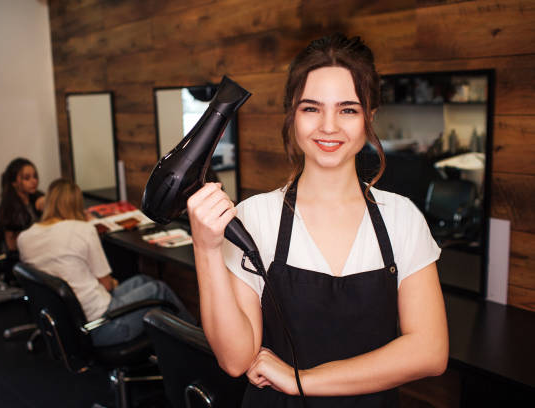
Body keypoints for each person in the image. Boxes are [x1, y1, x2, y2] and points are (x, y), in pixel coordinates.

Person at [186, 33, 448, 407]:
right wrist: (206, 248)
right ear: (292, 114)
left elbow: (430, 351)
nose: (329, 126)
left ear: (369, 118)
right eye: (311, 108)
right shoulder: (255, 217)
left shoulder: (401, 218)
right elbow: (236, 359)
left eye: (348, 109)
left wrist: (302, 380)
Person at [17, 178, 195, 346]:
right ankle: (195, 339)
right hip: (102, 325)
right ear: (76, 205)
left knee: (143, 281)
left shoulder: (24, 238)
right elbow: (107, 284)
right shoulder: (83, 229)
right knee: (158, 289)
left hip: (67, 323)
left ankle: (178, 340)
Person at [0, 158, 45, 251]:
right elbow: (12, 246)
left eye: (35, 176)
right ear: (14, 182)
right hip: (22, 256)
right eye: (27, 178)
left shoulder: (37, 196)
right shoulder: (9, 207)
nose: (34, 181)